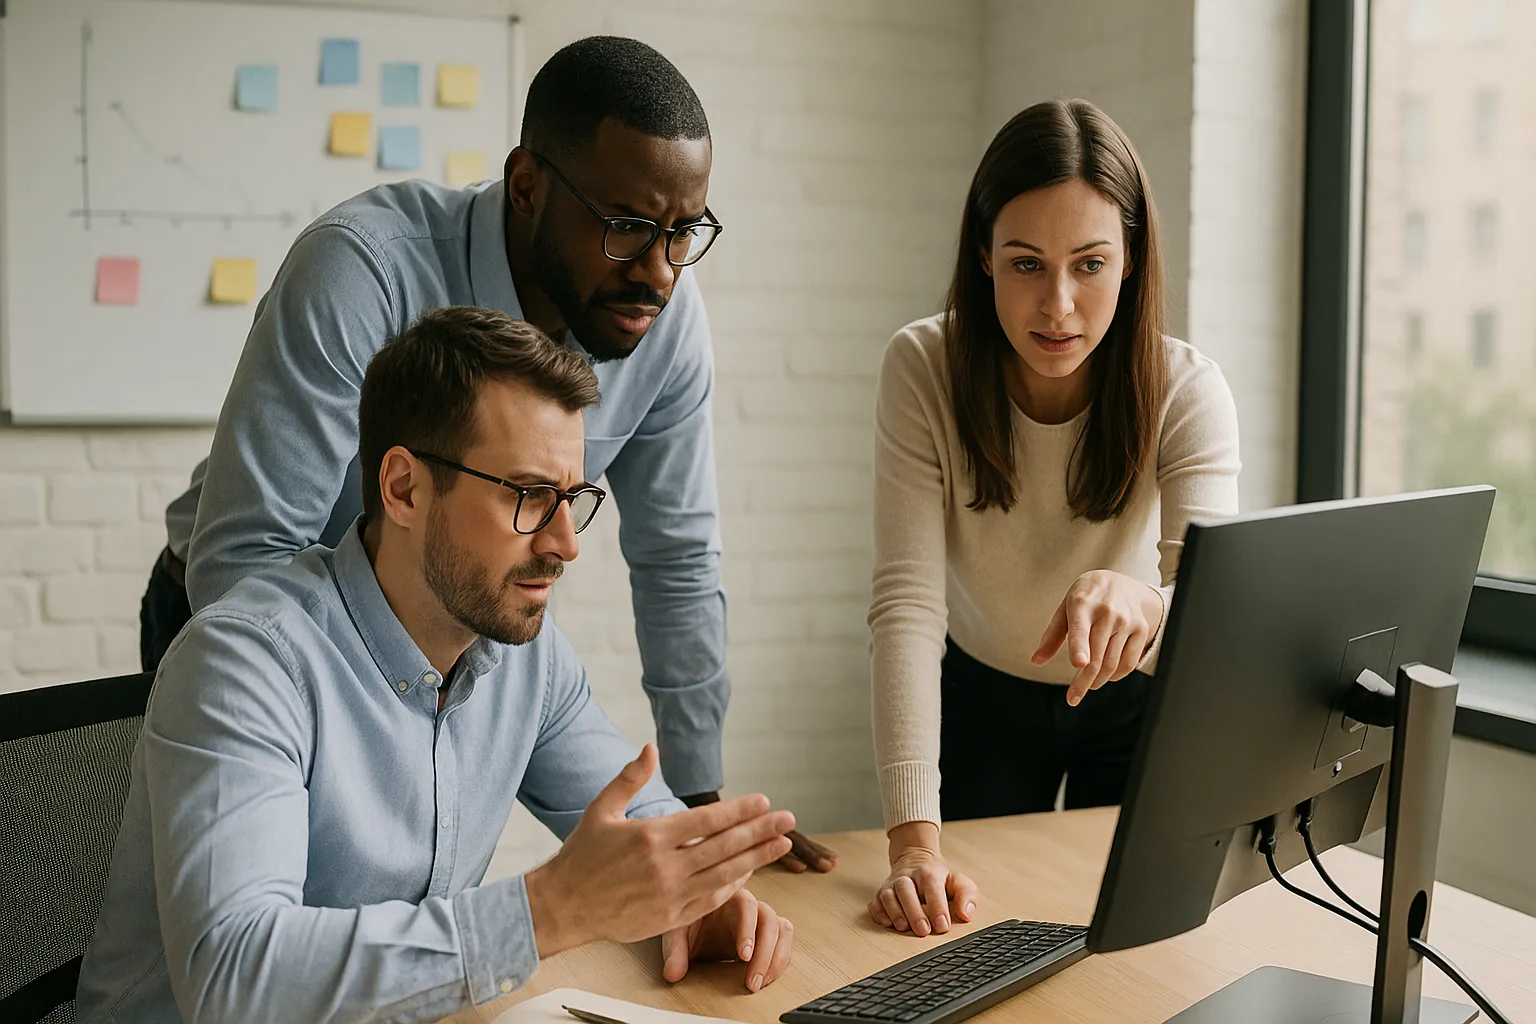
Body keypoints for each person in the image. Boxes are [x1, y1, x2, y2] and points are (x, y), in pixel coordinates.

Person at [137, 35, 834, 872]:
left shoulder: (663, 322)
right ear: (527, 185)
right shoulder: (362, 269)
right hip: (252, 623)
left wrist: (695, 809)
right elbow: (245, 559)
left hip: (447, 631)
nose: (658, 272)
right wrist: (365, 721)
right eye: (626, 227)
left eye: (684, 232)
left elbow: (677, 560)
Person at [78, 308, 797, 1024]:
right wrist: (549, 909)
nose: (566, 544)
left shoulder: (524, 657)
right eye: (528, 496)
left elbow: (633, 821)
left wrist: (699, 889)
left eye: (573, 500)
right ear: (404, 488)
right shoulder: (246, 663)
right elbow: (233, 978)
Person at [865, 99, 1241, 938]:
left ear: (1132, 260)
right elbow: (907, 605)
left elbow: (1213, 623)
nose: (1059, 306)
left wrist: (1152, 608)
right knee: (968, 938)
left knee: (1135, 947)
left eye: (1091, 264)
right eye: (1027, 264)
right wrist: (911, 844)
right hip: (981, 698)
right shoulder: (922, 367)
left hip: (1139, 702)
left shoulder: (1187, 390)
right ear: (984, 256)